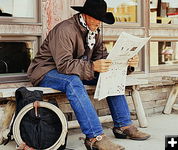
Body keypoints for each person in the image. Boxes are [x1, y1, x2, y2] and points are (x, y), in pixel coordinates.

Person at [27, 0, 150, 149]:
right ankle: (94, 137)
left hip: (75, 71)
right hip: (46, 71)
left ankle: (123, 126)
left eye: (101, 19)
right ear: (85, 15)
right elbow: (64, 64)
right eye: (96, 18)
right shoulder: (65, 30)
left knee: (108, 74)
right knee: (72, 82)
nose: (99, 23)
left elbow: (103, 57)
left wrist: (126, 63)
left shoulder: (94, 31)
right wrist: (92, 66)